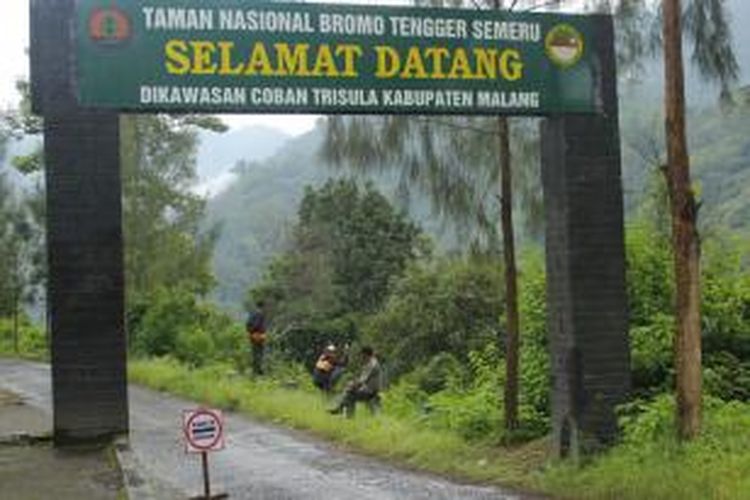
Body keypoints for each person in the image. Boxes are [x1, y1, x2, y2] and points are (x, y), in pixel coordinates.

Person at [328, 346, 381, 417]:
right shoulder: (371, 362)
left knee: (350, 394)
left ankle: (345, 413)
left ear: (365, 354)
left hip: (370, 391)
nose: (361, 357)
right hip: (368, 388)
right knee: (350, 392)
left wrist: (352, 385)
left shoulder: (371, 365)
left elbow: (362, 381)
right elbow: (362, 379)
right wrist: (353, 384)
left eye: (362, 355)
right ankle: (341, 409)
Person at [246, 300, 267, 375]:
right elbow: (257, 324)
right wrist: (257, 333)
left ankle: (255, 370)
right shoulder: (260, 314)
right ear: (263, 307)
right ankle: (259, 370)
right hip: (258, 335)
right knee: (260, 353)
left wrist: (250, 333)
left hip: (252, 336)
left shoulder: (252, 314)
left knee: (254, 352)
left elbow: (247, 324)